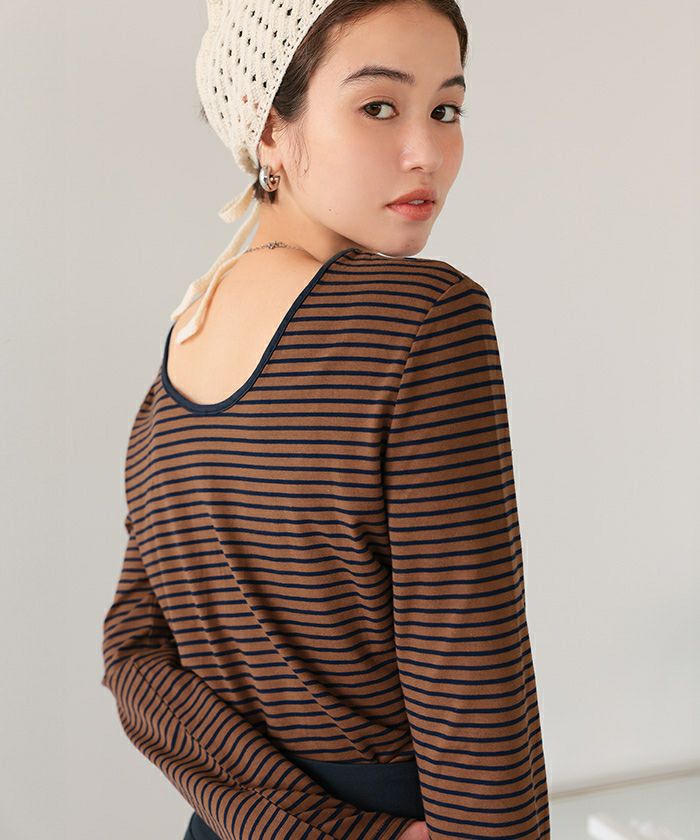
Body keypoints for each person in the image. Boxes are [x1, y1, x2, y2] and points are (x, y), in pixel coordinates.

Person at [100, 0, 551, 838]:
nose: (427, 152)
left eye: (445, 109)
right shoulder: (424, 317)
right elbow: (468, 677)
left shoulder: (178, 356)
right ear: (270, 126)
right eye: (378, 105)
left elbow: (133, 660)